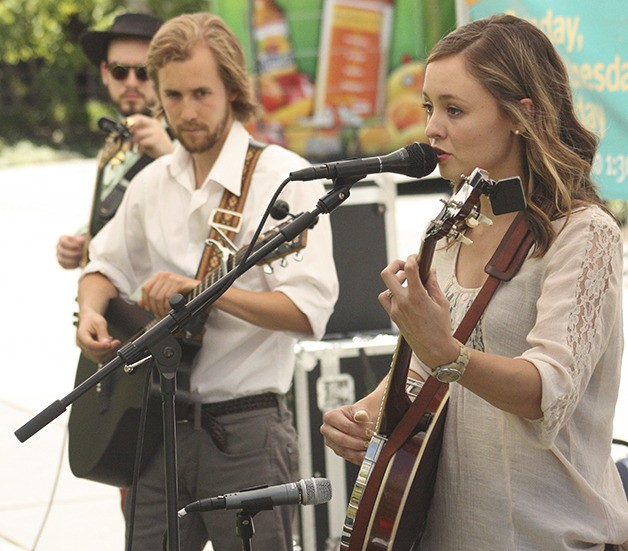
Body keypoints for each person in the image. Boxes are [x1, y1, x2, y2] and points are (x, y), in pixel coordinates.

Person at [320, 13, 628, 551]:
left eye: (454, 109)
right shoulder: (451, 226)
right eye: (428, 107)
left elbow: (545, 390)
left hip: (547, 535)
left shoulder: (585, 234)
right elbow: (422, 370)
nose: (432, 127)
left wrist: (447, 351)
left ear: (520, 115)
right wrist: (366, 412)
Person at [75, 12, 338, 551]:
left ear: (233, 90)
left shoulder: (285, 179)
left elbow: (308, 312)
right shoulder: (151, 183)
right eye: (172, 96)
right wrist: (91, 314)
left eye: (201, 93)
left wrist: (205, 292)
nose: (187, 112)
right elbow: (102, 265)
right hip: (156, 426)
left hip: (245, 430)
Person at [56, 12, 174, 269]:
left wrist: (170, 156)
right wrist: (81, 241)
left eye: (144, 72)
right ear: (105, 72)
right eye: (120, 71)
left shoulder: (189, 138)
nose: (131, 82)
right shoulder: (114, 136)